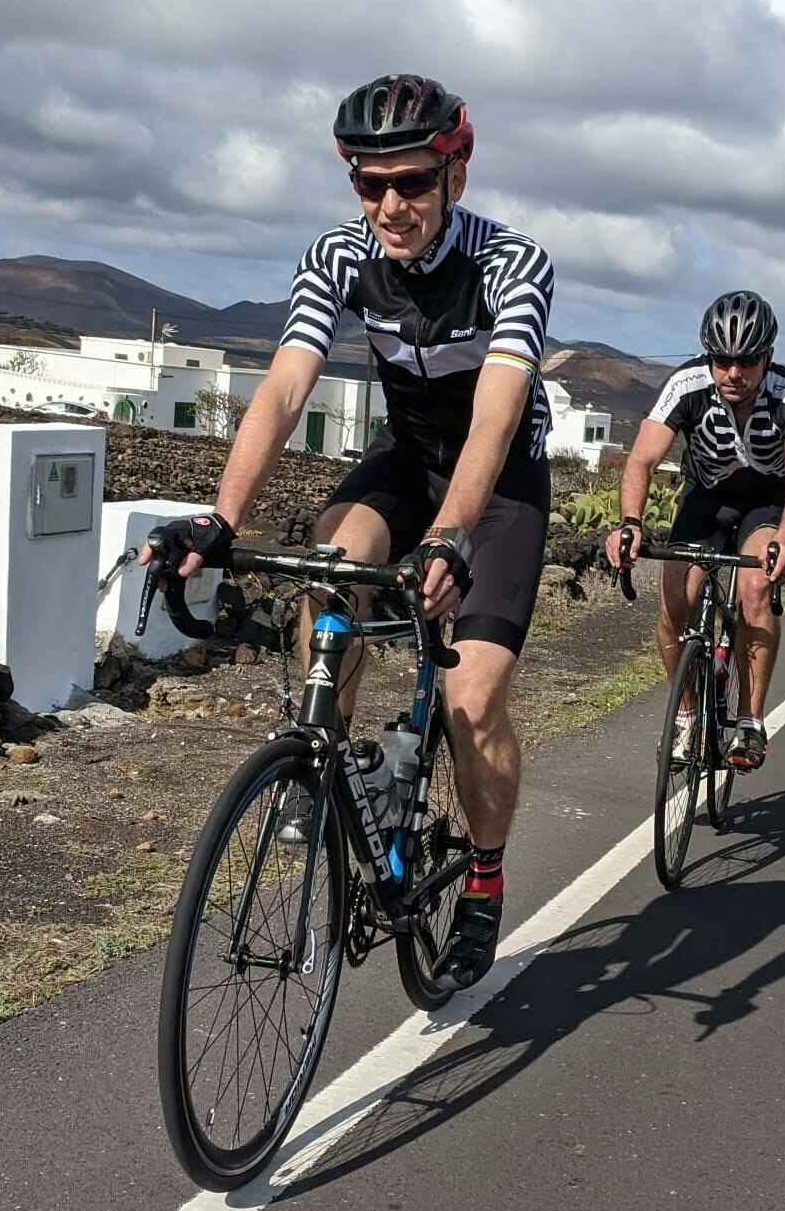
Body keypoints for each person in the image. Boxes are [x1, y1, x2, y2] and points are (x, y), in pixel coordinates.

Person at [142, 72, 555, 998]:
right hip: (408, 460)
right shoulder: (336, 256)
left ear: (458, 165)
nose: (391, 206)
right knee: (331, 567)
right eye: (370, 185)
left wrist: (451, 537)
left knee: (473, 699)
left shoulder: (512, 264)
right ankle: (325, 749)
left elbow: (496, 411)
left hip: (500, 485)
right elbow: (286, 388)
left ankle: (483, 884)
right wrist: (222, 517)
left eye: (411, 181)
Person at [604, 291, 785, 771]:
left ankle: (750, 720)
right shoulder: (686, 384)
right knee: (674, 596)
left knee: (755, 587)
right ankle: (686, 717)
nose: (733, 373)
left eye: (746, 361)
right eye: (722, 360)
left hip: (766, 504)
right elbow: (641, 458)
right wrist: (630, 523)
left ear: (767, 356)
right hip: (705, 499)